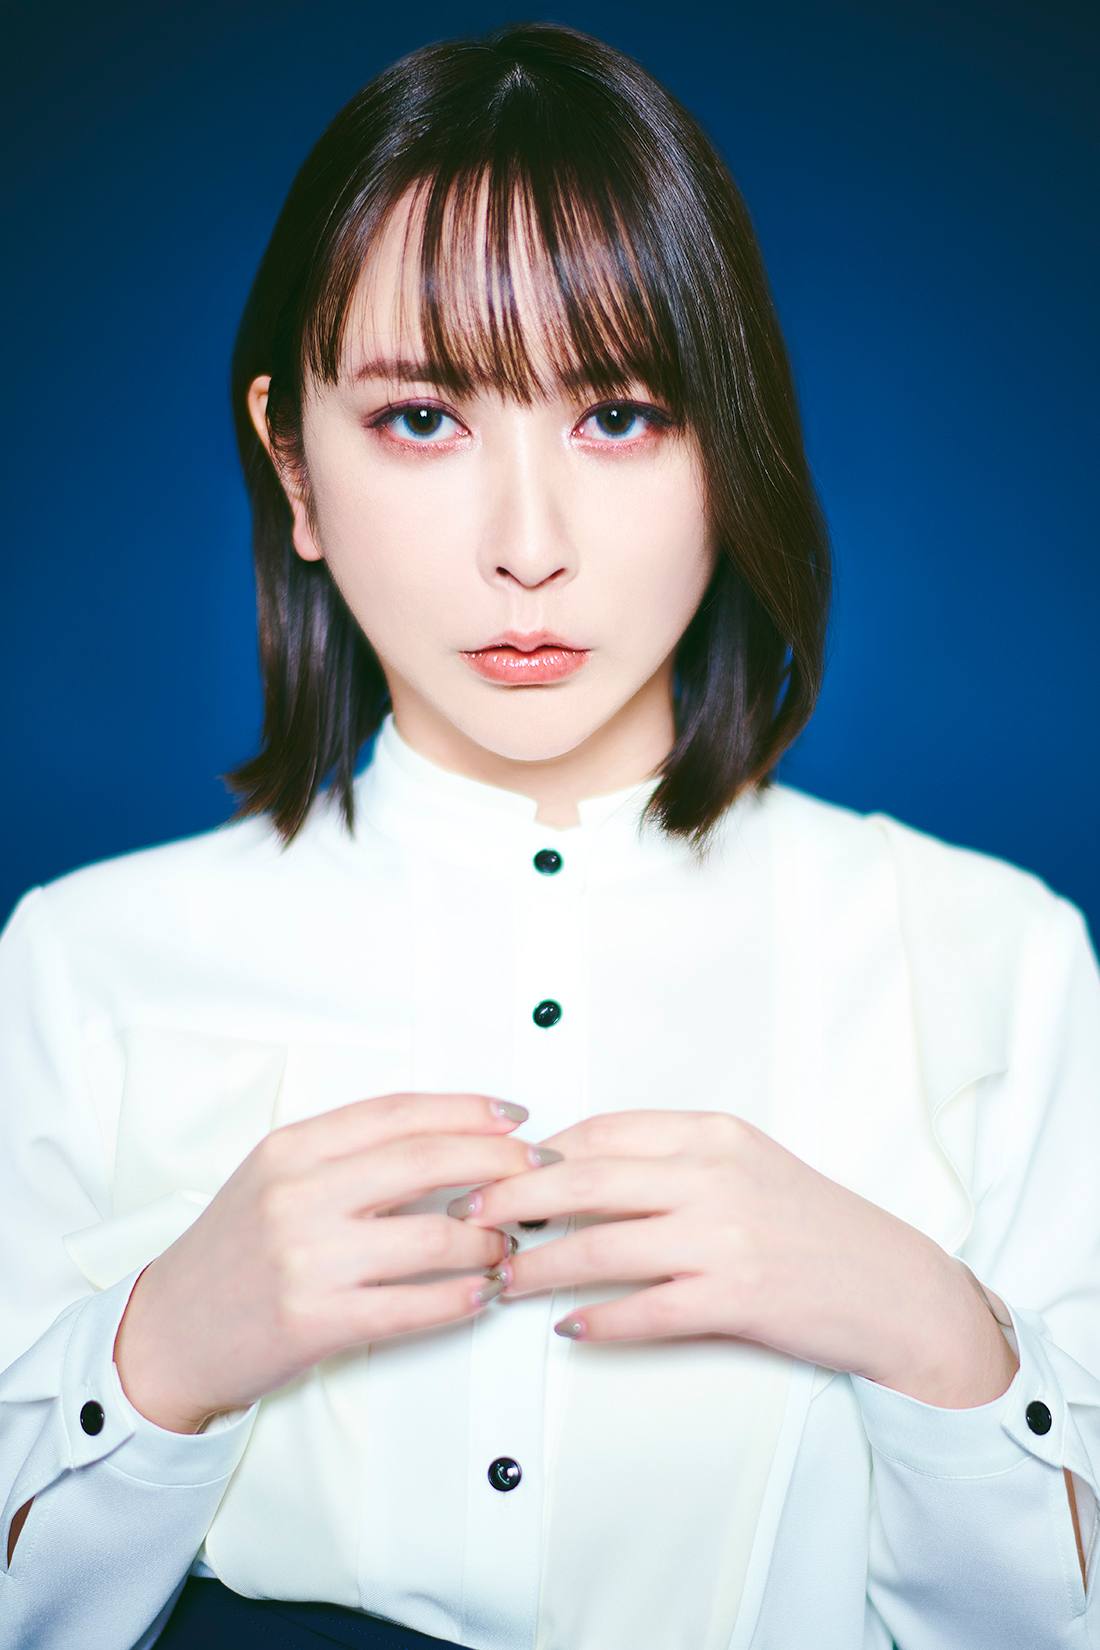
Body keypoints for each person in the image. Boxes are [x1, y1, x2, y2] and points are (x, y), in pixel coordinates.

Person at [1, 22, 1098, 1650]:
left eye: (621, 413)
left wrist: (937, 1333)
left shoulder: (994, 961)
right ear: (293, 464)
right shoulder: (80, 964)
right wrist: (153, 1356)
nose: (529, 547)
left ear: (730, 449)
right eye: (422, 417)